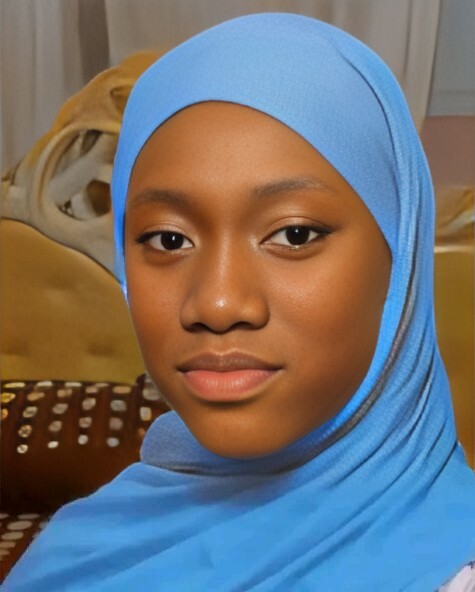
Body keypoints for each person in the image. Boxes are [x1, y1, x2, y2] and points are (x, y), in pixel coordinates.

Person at [4, 12, 475, 591]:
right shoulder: (80, 557)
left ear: (399, 259)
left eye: (294, 235)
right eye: (168, 240)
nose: (219, 303)